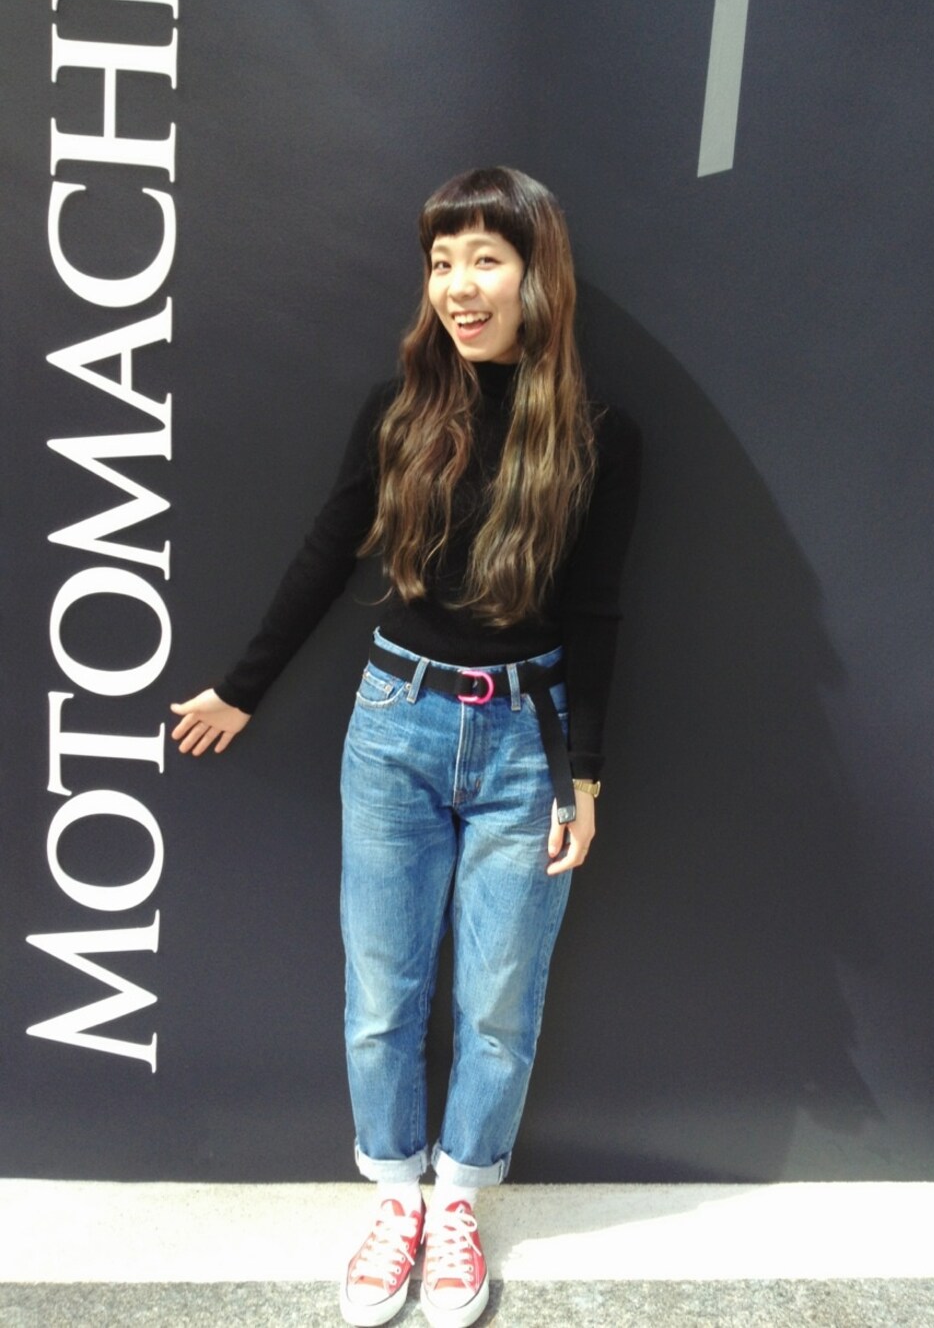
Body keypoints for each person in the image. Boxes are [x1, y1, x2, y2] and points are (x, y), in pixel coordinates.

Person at [171, 166, 641, 1328]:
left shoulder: (599, 435)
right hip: (394, 727)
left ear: (536, 274)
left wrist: (584, 771)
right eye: (440, 263)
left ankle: (462, 1198)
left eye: (485, 259)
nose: (458, 287)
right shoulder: (399, 410)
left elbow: (595, 611)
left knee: (497, 997)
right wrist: (242, 687)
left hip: (528, 740)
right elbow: (326, 553)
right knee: (382, 990)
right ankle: (395, 1198)